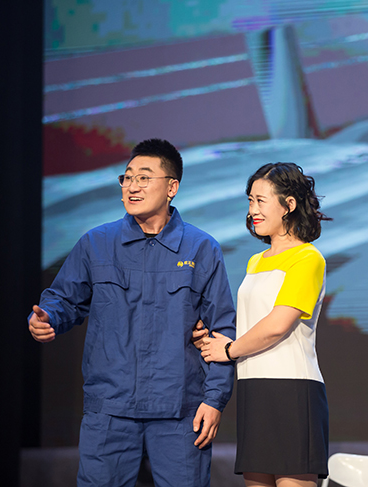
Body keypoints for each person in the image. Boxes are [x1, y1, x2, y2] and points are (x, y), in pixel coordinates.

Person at [28, 138, 236, 486]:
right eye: (127, 177)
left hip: (179, 410)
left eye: (144, 178)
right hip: (110, 409)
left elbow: (222, 329)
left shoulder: (201, 248)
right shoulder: (96, 243)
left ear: (172, 188)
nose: (132, 186)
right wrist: (45, 319)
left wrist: (215, 400)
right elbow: (62, 300)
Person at [194, 162, 331, 487]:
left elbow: (277, 324)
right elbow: (252, 322)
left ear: (289, 204)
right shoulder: (256, 261)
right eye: (250, 201)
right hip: (253, 386)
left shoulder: (308, 258)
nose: (252, 210)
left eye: (260, 201)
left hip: (292, 388)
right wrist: (208, 338)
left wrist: (229, 350)